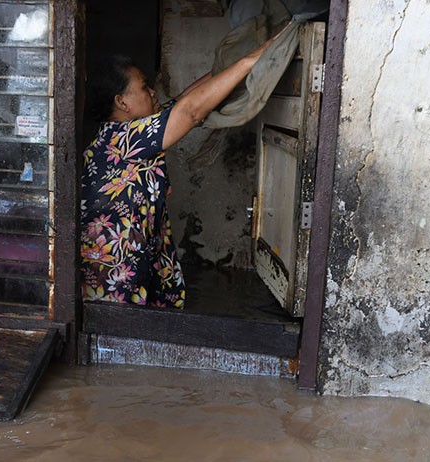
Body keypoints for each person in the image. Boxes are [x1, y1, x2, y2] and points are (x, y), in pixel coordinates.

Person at [80, 25, 289, 309]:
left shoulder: (128, 133)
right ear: (122, 102)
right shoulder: (123, 140)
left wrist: (245, 57)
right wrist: (251, 61)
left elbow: (187, 99)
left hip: (130, 281)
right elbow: (191, 111)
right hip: (114, 291)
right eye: (144, 87)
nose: (153, 91)